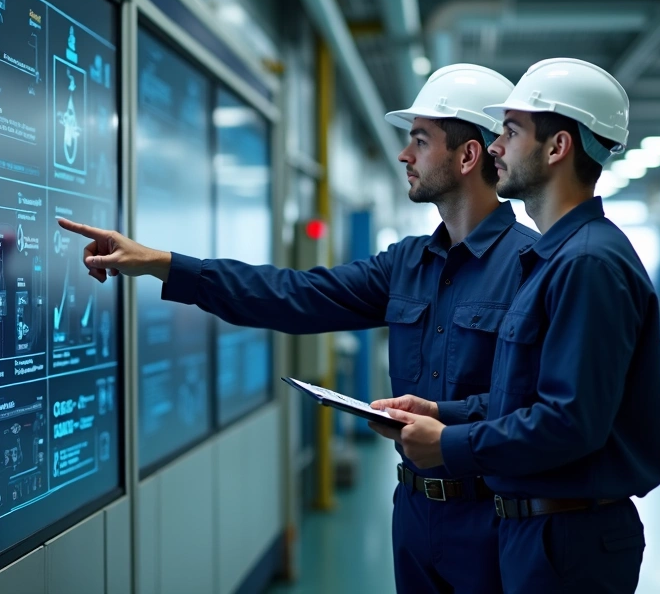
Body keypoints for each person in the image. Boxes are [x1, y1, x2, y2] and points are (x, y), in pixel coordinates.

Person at [58, 64, 538, 593]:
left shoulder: (532, 268)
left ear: (468, 156)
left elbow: (535, 408)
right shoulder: (406, 264)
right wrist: (162, 263)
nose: (404, 155)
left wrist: (448, 428)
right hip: (415, 515)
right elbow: (294, 295)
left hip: (492, 521)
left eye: (419, 141)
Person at [371, 58, 660, 593]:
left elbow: (569, 422)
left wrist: (451, 444)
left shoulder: (587, 263)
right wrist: (444, 413)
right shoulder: (553, 260)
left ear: (557, 148)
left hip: (569, 540)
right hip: (538, 531)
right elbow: (526, 397)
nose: (494, 147)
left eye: (510, 131)